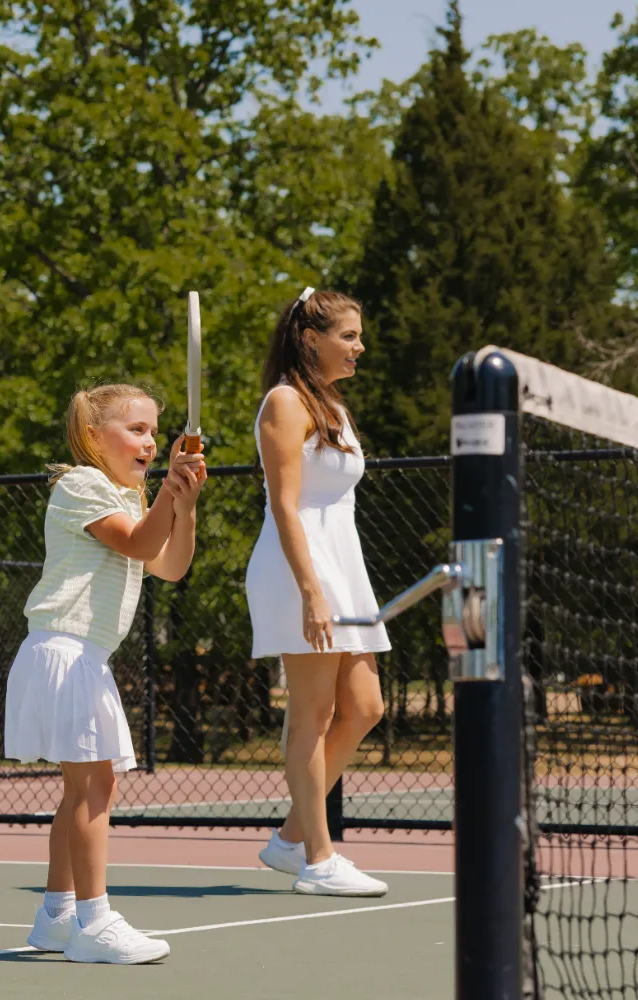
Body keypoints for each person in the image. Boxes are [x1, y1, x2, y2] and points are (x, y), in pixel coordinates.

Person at [7, 383, 206, 963]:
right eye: (135, 430)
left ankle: (55, 916)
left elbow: (168, 565)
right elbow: (141, 543)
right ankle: (94, 922)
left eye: (153, 431)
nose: (149, 442)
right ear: (94, 436)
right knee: (97, 786)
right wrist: (169, 490)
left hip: (81, 655)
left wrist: (183, 504)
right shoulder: (82, 485)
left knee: (81, 790)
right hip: (64, 651)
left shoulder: (129, 496)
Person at [246, 288, 391, 897]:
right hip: (297, 567)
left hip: (342, 564)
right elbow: (285, 504)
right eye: (349, 336)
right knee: (313, 714)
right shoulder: (284, 403)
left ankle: (287, 841)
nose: (360, 347)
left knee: (364, 707)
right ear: (312, 338)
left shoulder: (329, 404)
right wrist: (310, 589)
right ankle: (318, 858)